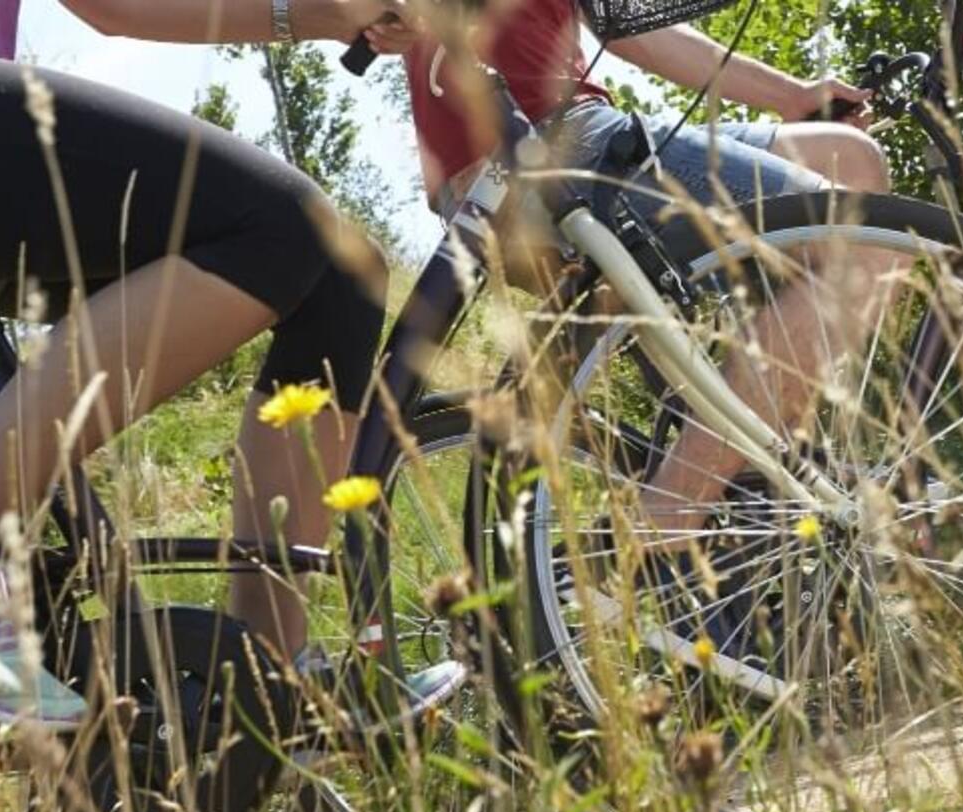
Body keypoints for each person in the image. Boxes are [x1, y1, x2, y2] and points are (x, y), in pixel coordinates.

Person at [0, 0, 459, 730]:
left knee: (341, 273)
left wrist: (325, 15)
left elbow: (116, 11)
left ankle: (266, 679)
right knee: (279, 224)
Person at [361, 0, 895, 657]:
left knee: (851, 159)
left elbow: (632, 28)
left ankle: (752, 514)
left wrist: (791, 96)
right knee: (858, 242)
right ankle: (671, 518)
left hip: (560, 140)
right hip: (547, 148)